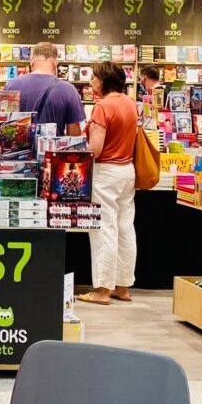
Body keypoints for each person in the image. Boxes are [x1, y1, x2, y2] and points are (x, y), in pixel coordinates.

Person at [78, 61, 139, 306]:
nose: (91, 82)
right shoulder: (129, 102)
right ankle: (123, 286)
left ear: (104, 80)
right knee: (125, 228)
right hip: (127, 170)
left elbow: (96, 148)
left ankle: (102, 289)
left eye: (94, 78)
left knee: (103, 229)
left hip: (105, 172)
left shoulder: (102, 106)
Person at [3, 42, 84, 135]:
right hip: (52, 148)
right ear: (55, 63)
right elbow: (74, 135)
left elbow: (4, 125)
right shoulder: (68, 89)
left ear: (31, 61)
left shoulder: (11, 85)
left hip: (18, 148)